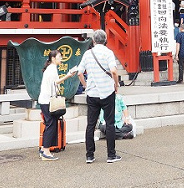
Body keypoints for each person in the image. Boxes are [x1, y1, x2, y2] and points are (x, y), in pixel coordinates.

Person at [77, 30, 122, 163]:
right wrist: (116, 84)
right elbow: (113, 70)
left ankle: (89, 155)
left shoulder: (87, 53)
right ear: (106, 40)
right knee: (110, 123)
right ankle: (111, 155)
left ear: (94, 40)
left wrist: (85, 85)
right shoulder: (108, 53)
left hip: (92, 93)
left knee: (91, 124)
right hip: (107, 91)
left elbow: (80, 73)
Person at [38, 49, 76, 160]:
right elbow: (56, 82)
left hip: (45, 100)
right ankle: (46, 151)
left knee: (49, 124)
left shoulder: (50, 68)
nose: (61, 59)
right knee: (51, 124)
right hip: (48, 101)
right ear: (53, 58)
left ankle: (43, 148)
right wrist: (68, 75)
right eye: (59, 57)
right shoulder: (52, 68)